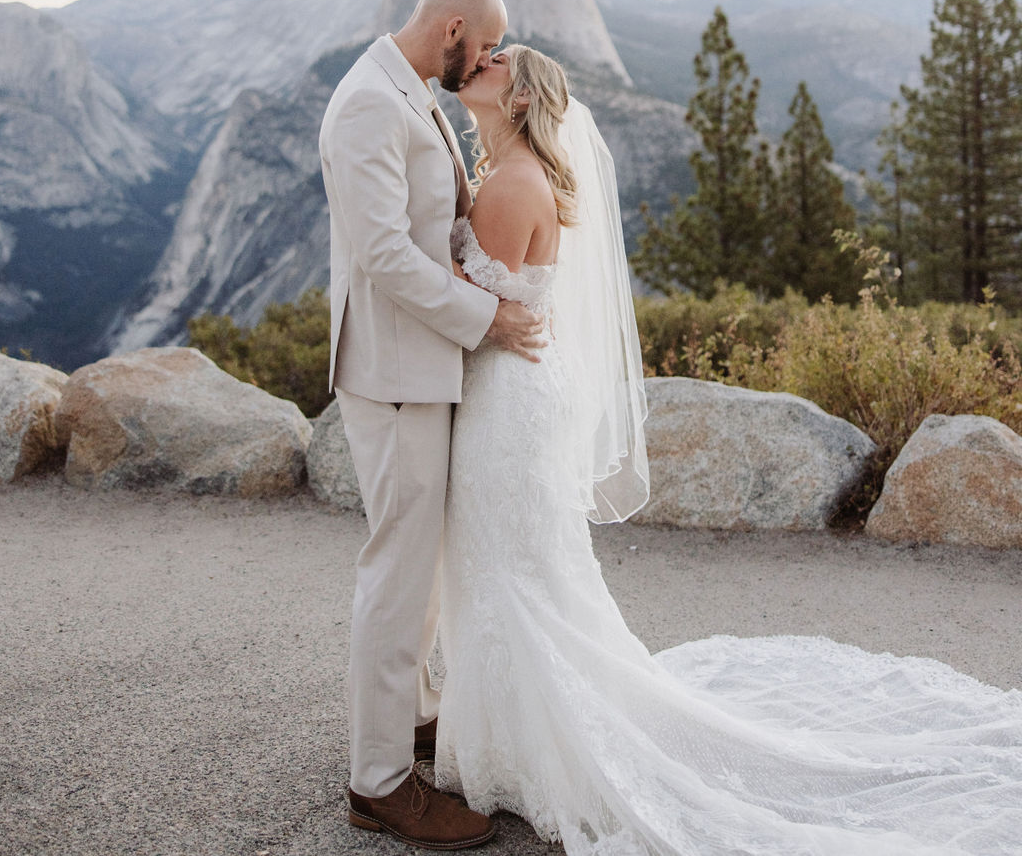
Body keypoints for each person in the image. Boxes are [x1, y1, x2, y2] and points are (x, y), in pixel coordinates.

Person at [437, 42, 1022, 856]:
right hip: (523, 391)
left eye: (499, 60)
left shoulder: (509, 185)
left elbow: (460, 300)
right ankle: (509, 731)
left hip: (508, 399)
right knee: (526, 566)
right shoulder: (511, 177)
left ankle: (530, 743)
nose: (482, 61)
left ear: (524, 99)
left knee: (509, 568)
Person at [318, 0, 546, 848]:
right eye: (484, 45)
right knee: (397, 573)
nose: (488, 59)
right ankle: (377, 783)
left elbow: (427, 230)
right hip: (395, 370)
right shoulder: (370, 103)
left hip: (421, 361)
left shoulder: (410, 88)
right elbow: (382, 255)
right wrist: (491, 317)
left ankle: (412, 715)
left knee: (415, 572)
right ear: (453, 26)